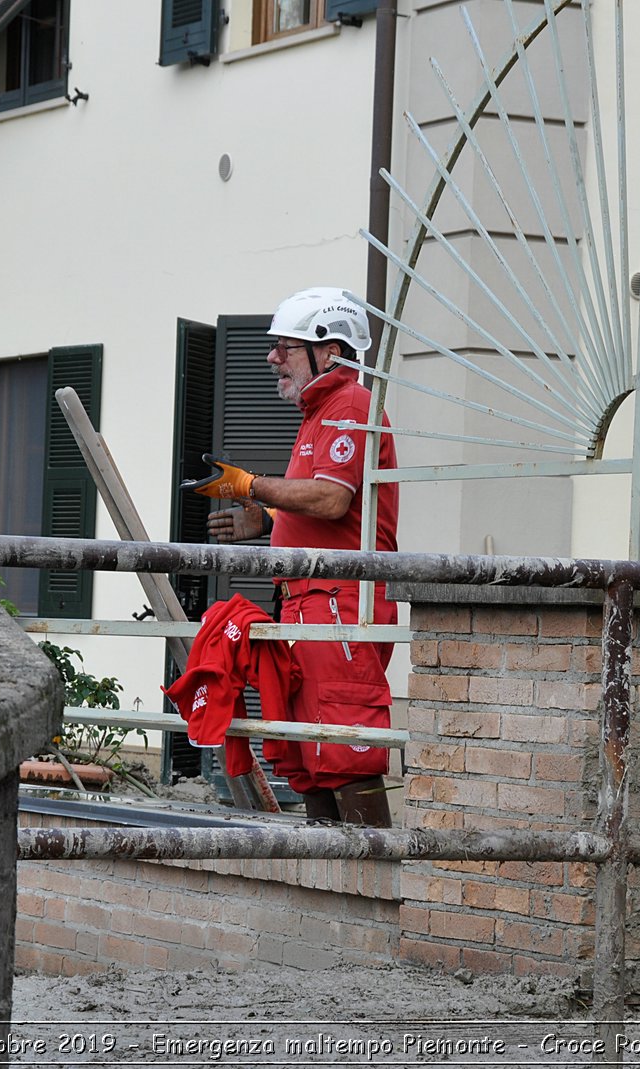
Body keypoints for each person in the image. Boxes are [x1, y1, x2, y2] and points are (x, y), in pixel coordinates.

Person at [185, 287, 399, 827]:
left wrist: (252, 486)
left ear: (328, 351)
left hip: (339, 605)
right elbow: (330, 508)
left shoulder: (349, 403)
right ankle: (337, 886)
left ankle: (373, 882)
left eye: (285, 346)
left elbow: (332, 498)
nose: (271, 357)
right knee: (311, 757)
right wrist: (268, 521)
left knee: (345, 750)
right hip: (311, 603)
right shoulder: (320, 411)